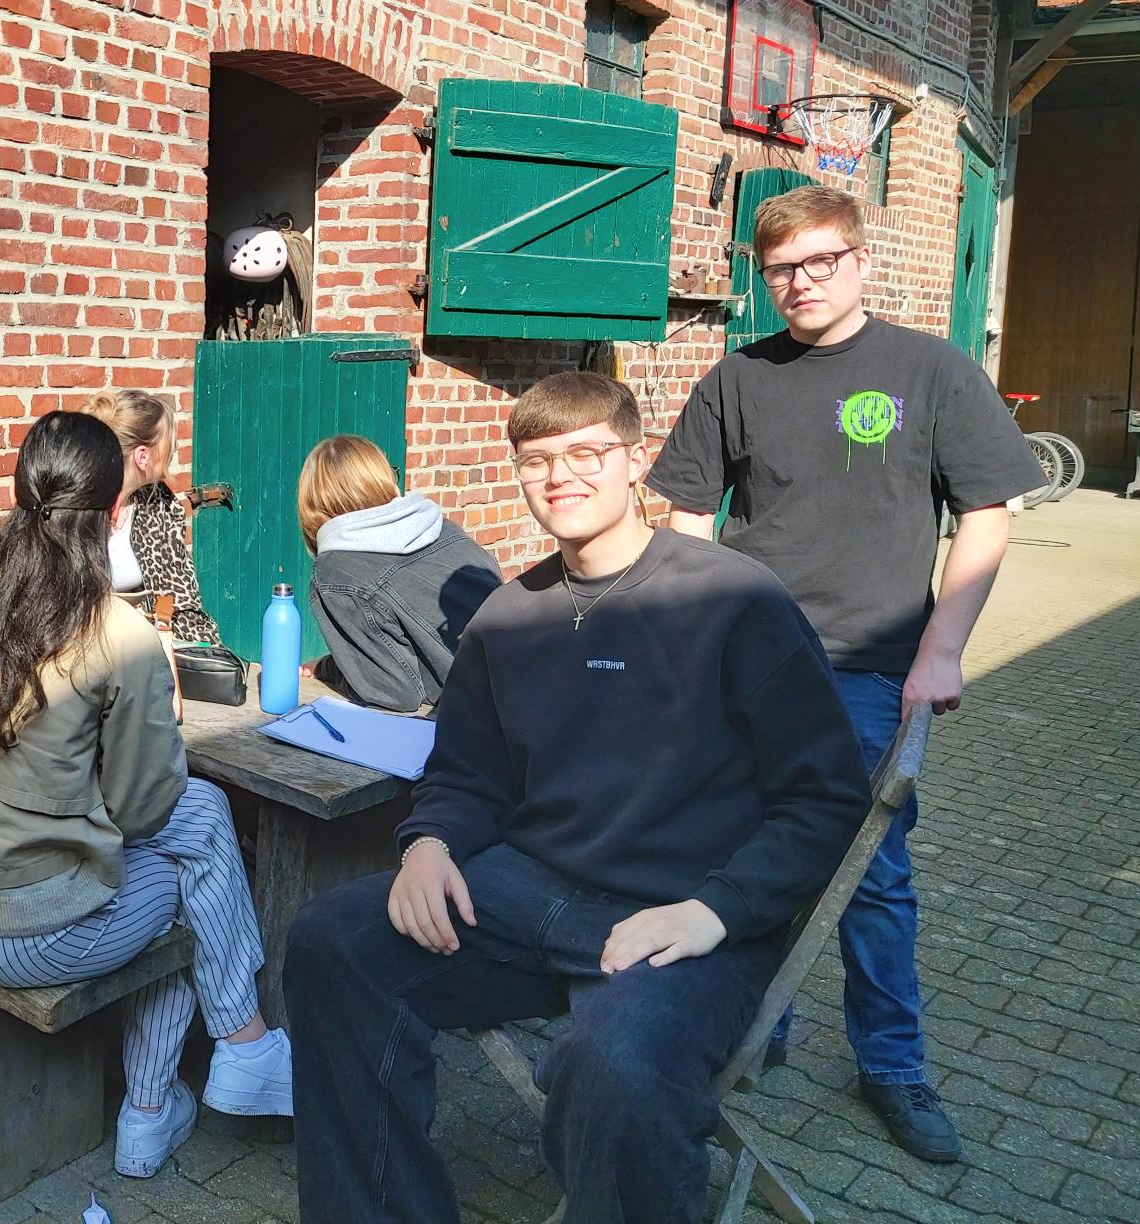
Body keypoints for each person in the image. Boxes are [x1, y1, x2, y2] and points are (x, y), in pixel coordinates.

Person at [284, 371, 869, 1224]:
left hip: (679, 913)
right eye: (537, 460)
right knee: (332, 940)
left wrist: (717, 910)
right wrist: (429, 844)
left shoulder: (733, 599)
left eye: (587, 453)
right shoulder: (507, 617)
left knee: (618, 1068)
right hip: (525, 895)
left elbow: (826, 796)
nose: (560, 476)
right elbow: (466, 772)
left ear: (635, 460)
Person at [647, 184, 1044, 1164]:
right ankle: (756, 1030)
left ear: (861, 261)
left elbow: (986, 514)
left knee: (869, 876)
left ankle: (892, 1066)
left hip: (871, 667)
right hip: (750, 661)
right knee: (740, 852)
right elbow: (687, 517)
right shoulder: (737, 377)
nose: (801, 282)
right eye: (780, 268)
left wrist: (941, 648)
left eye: (821, 261)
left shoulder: (932, 370)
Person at [0, 411, 292, 1179]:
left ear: (19, 491)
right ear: (115, 508)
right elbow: (147, 808)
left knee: (201, 830)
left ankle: (234, 1057)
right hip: (25, 933)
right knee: (196, 873)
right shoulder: (117, 633)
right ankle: (171, 1096)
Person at [297, 434, 503, 711]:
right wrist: (333, 665)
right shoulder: (441, 527)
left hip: (480, 718)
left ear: (313, 506)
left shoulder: (336, 572)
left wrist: (331, 672)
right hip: (527, 686)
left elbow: (395, 694)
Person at [81, 388, 220, 644]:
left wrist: (211, 651)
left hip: (140, 648)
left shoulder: (160, 504)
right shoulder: (75, 508)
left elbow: (182, 601)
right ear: (142, 456)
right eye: (169, 441)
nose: (175, 447)